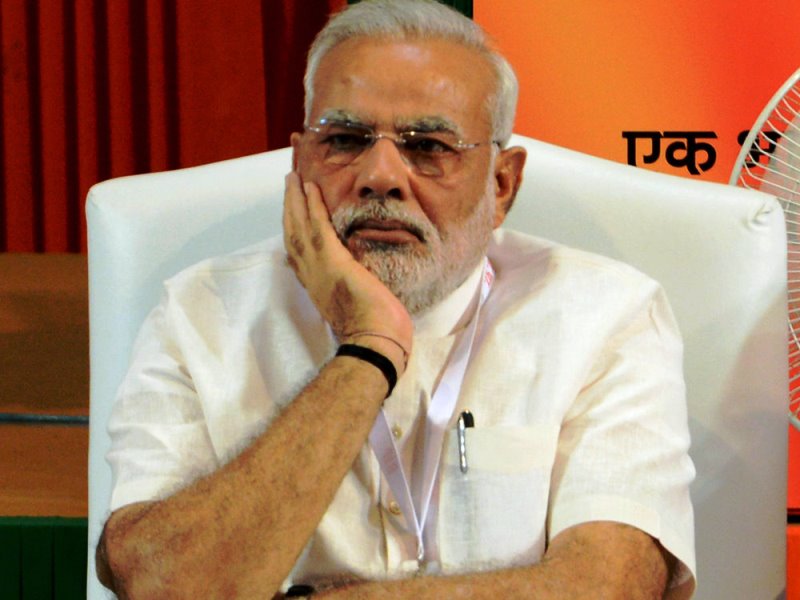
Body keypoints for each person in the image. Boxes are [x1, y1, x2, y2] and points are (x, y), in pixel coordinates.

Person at [96, 1, 696, 598]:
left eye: (428, 146)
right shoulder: (200, 314)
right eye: (345, 139)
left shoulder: (606, 317)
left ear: (502, 185)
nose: (380, 176)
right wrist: (369, 348)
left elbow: (608, 585)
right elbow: (160, 586)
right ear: (299, 163)